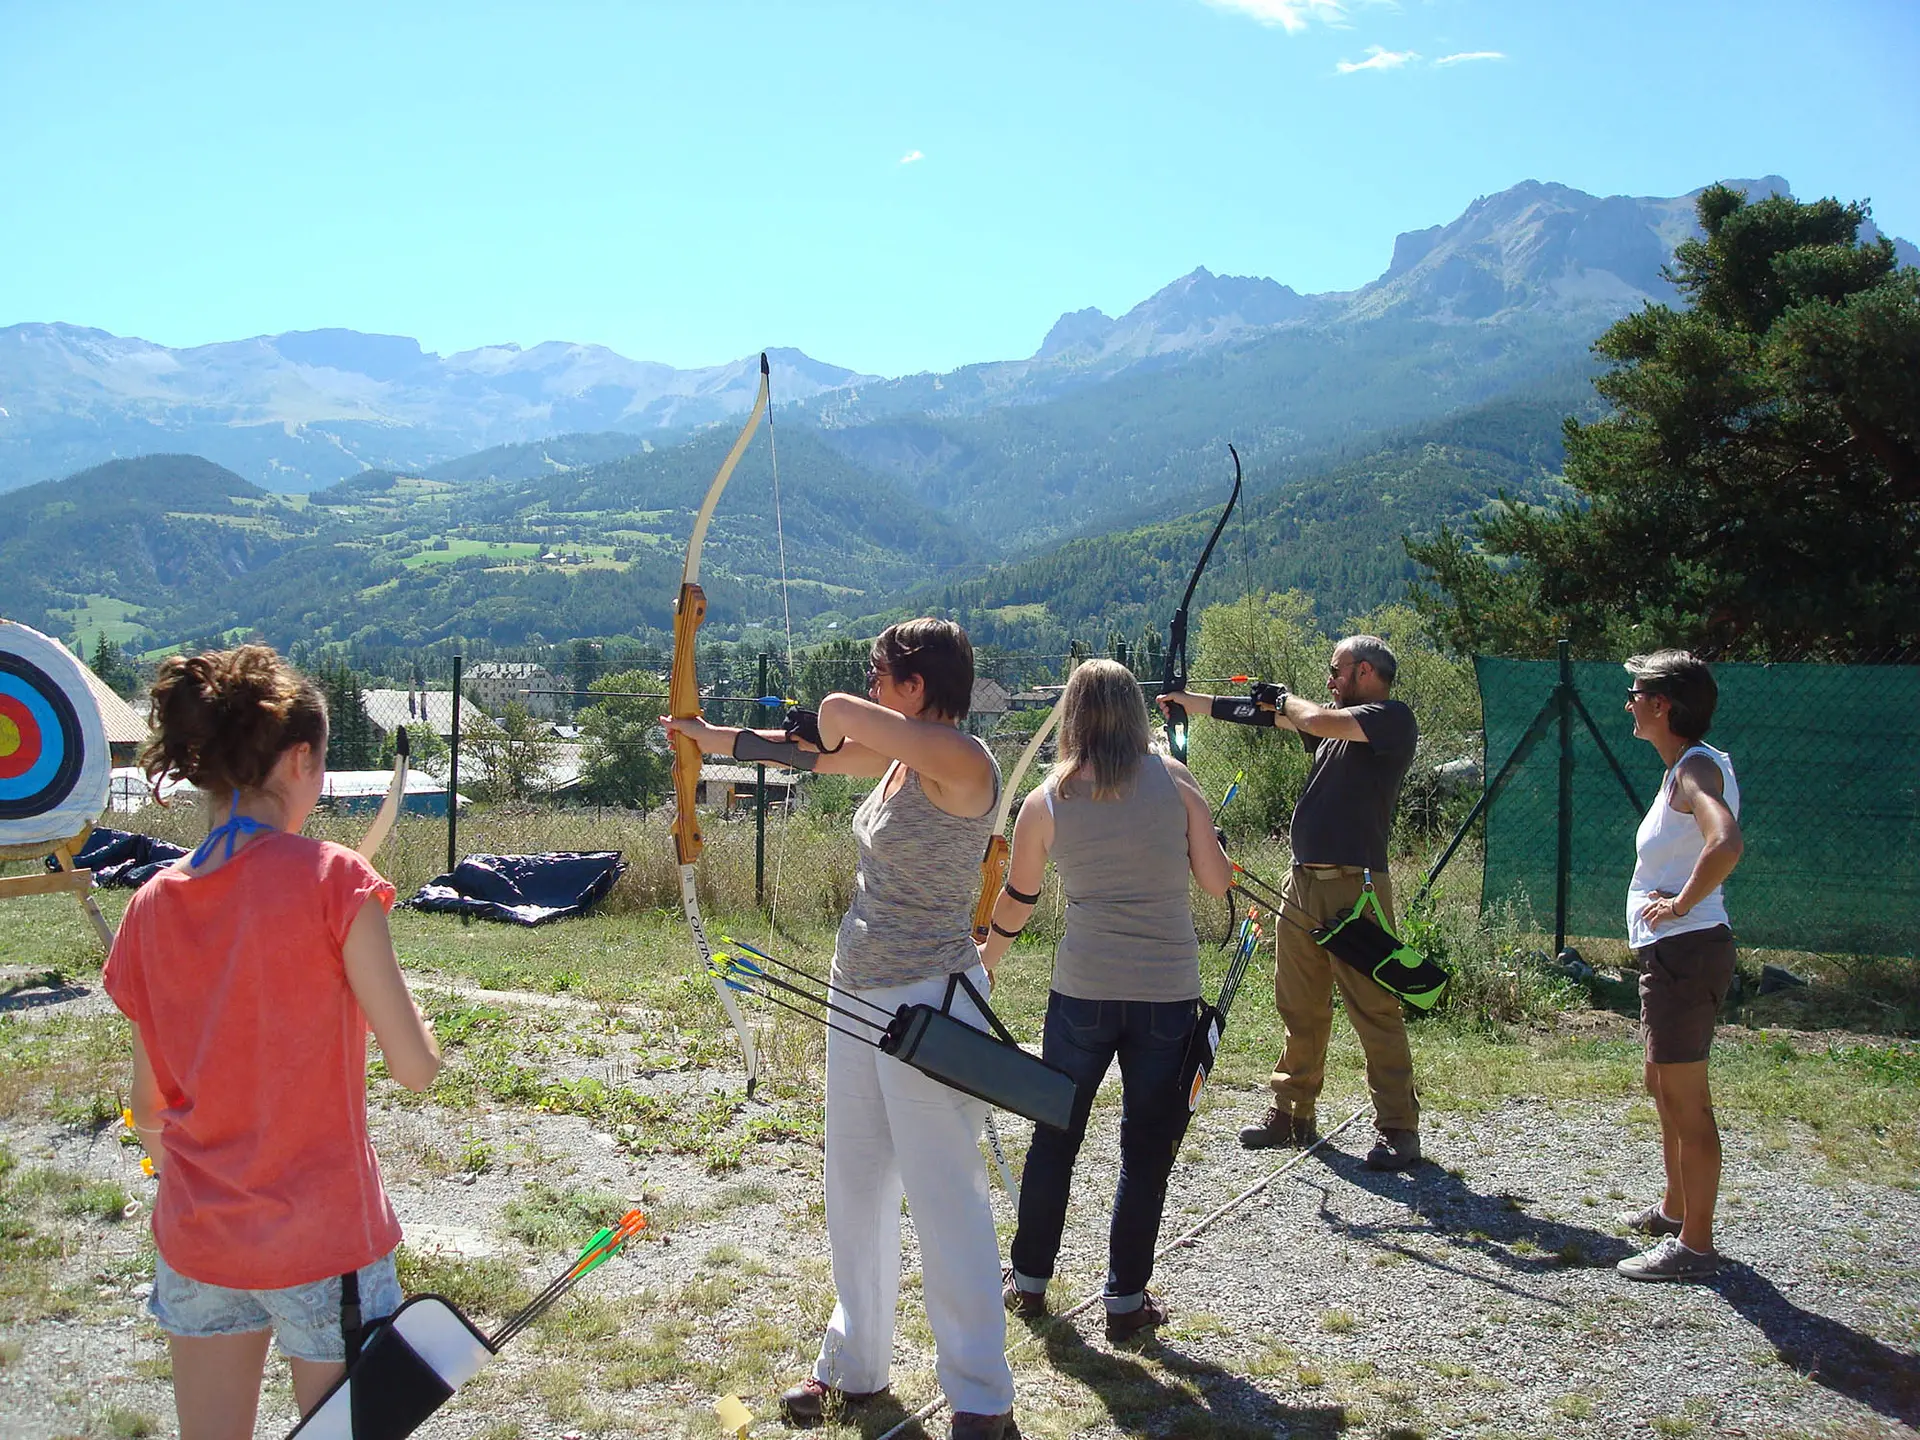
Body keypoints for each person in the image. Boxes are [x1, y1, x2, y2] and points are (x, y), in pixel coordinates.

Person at [664, 619, 1016, 1440]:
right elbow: (812, 754)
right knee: (855, 1187)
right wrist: (710, 737)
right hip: (857, 991)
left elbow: (835, 718)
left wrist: (830, 705)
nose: (870, 682)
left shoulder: (965, 763)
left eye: (880, 673)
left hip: (928, 1000)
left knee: (945, 1200)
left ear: (916, 686)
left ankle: (981, 1399)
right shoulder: (900, 760)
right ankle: (856, 1365)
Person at [105, 645, 441, 1440]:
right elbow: (416, 1068)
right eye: (319, 767)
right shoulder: (334, 880)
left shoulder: (151, 903)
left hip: (198, 1239)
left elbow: (149, 1107)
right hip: (323, 1242)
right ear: (298, 759)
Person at [978, 660, 1231, 1341]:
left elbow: (1019, 898)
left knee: (1054, 1134)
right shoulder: (1176, 783)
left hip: (1083, 992)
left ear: (1073, 715)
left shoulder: (1048, 799)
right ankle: (1125, 1301)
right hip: (1166, 992)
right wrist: (1212, 844)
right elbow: (1215, 884)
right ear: (1137, 711)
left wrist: (987, 964)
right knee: (1147, 1148)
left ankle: (1029, 1280)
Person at [1159, 634, 1422, 1171]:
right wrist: (1194, 704)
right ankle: (1292, 1111)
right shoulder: (1332, 726)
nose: (1330, 680)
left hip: (1358, 889)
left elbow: (1314, 717)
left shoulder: (1390, 719)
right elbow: (1268, 716)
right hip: (1303, 882)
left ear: (1365, 671)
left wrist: (1284, 701)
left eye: (1337, 670)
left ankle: (1398, 1127)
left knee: (1374, 1008)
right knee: (1298, 1005)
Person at [1614, 650, 1744, 1282]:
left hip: (1687, 954)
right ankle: (1673, 1210)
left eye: (1636, 694)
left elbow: (1726, 841)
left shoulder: (1695, 772)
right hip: (1670, 957)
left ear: (1663, 705)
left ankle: (1695, 1247)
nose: (1629, 703)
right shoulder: (1683, 769)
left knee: (1688, 1101)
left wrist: (1683, 903)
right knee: (1662, 1083)